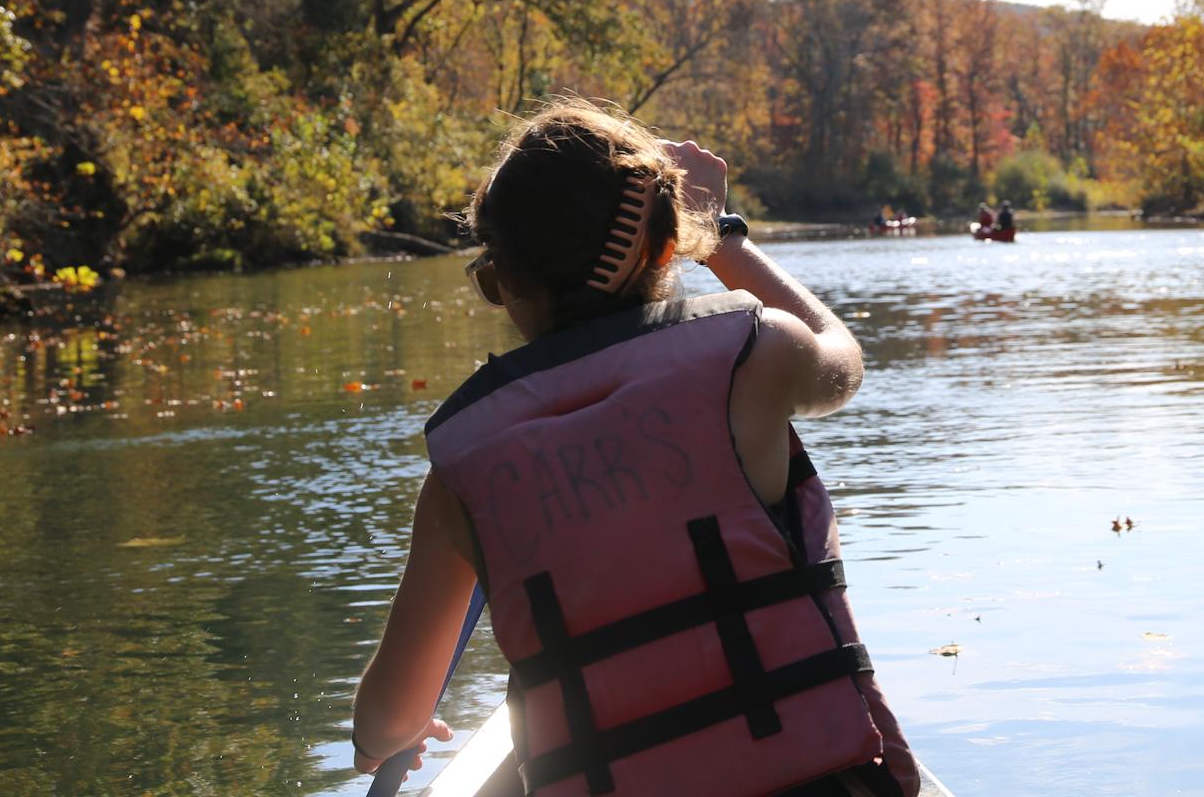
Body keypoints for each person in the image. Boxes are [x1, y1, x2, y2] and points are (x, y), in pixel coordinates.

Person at [350, 101, 918, 796]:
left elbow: (385, 723)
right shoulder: (754, 359)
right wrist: (722, 240)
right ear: (663, 244)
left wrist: (396, 732)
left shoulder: (462, 475)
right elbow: (843, 360)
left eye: (492, 278)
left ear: (508, 286)